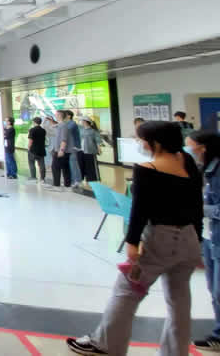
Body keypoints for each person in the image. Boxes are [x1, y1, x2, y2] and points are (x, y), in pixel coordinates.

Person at [66, 121, 203, 356]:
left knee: (127, 293)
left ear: (155, 142)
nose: (138, 143)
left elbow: (139, 211)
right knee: (179, 302)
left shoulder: (147, 169)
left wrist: (132, 243)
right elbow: (196, 204)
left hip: (160, 239)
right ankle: (176, 352)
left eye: (140, 139)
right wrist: (197, 239)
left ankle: (106, 344)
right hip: (189, 239)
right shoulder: (186, 161)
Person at [188, 130, 220, 352]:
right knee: (213, 289)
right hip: (211, 239)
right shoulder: (207, 169)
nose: (188, 150)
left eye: (191, 146)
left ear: (204, 147)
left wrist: (198, 208)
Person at [52, 110, 76, 189]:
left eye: (56, 115)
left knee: (56, 167)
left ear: (59, 115)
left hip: (62, 150)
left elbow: (64, 139)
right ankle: (67, 185)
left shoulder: (63, 126)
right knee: (65, 167)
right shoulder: (61, 125)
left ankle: (57, 185)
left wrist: (61, 150)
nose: (55, 116)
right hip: (61, 150)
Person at [79, 117, 104, 183]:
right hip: (81, 150)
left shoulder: (93, 131)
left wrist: (99, 149)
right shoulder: (81, 130)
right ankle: (81, 178)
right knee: (81, 165)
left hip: (90, 151)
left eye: (83, 121)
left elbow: (98, 141)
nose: (82, 122)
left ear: (86, 122)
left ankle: (92, 179)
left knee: (91, 166)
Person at [27, 117, 47, 182]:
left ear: (34, 122)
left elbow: (31, 140)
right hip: (41, 149)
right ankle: (42, 178)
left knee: (31, 163)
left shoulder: (32, 130)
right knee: (41, 164)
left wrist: (29, 147)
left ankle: (33, 176)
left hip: (33, 149)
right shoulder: (43, 130)